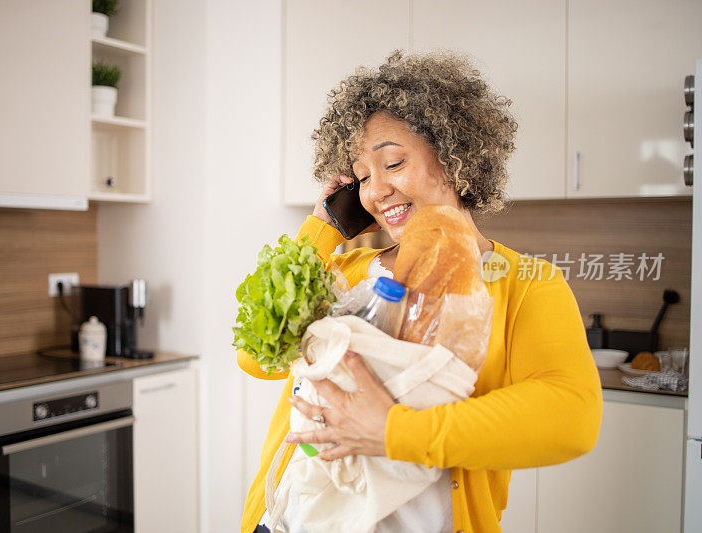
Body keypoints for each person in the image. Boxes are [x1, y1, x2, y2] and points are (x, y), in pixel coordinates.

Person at [238, 50, 602, 533]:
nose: (376, 190)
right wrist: (323, 225)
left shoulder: (523, 283)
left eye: (393, 162)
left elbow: (570, 416)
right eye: (363, 177)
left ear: (455, 157)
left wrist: (393, 432)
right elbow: (254, 358)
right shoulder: (344, 270)